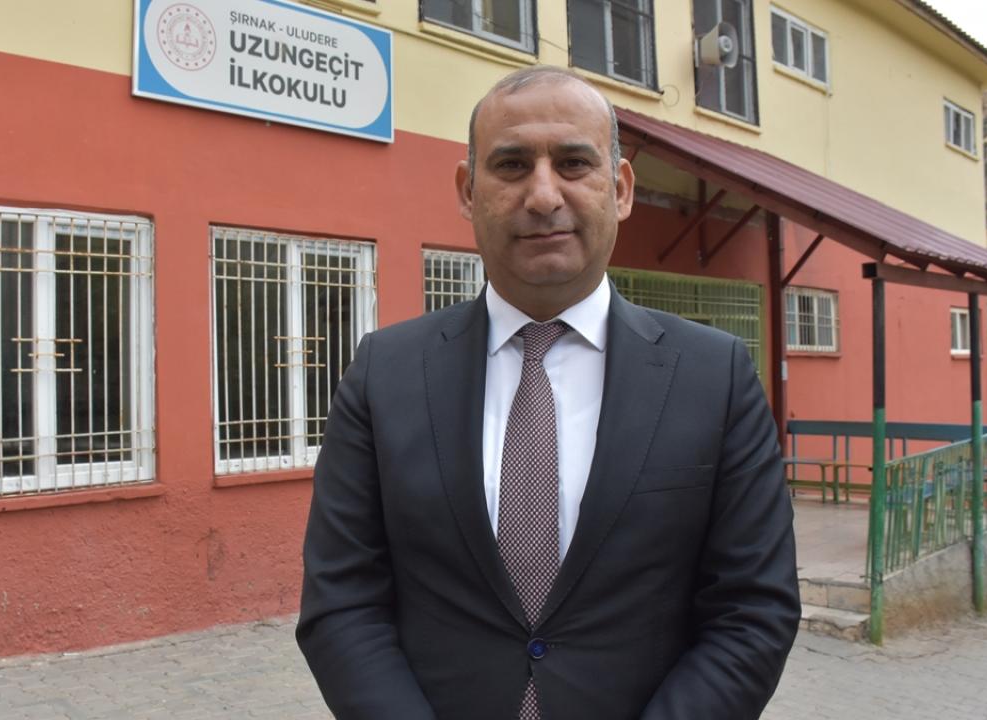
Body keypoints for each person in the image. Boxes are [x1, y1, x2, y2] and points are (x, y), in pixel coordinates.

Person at [297, 65, 800, 720]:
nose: (542, 195)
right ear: (467, 190)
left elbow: (753, 610)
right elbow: (342, 602)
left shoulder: (716, 376)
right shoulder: (384, 373)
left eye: (573, 163)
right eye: (511, 165)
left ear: (620, 188)